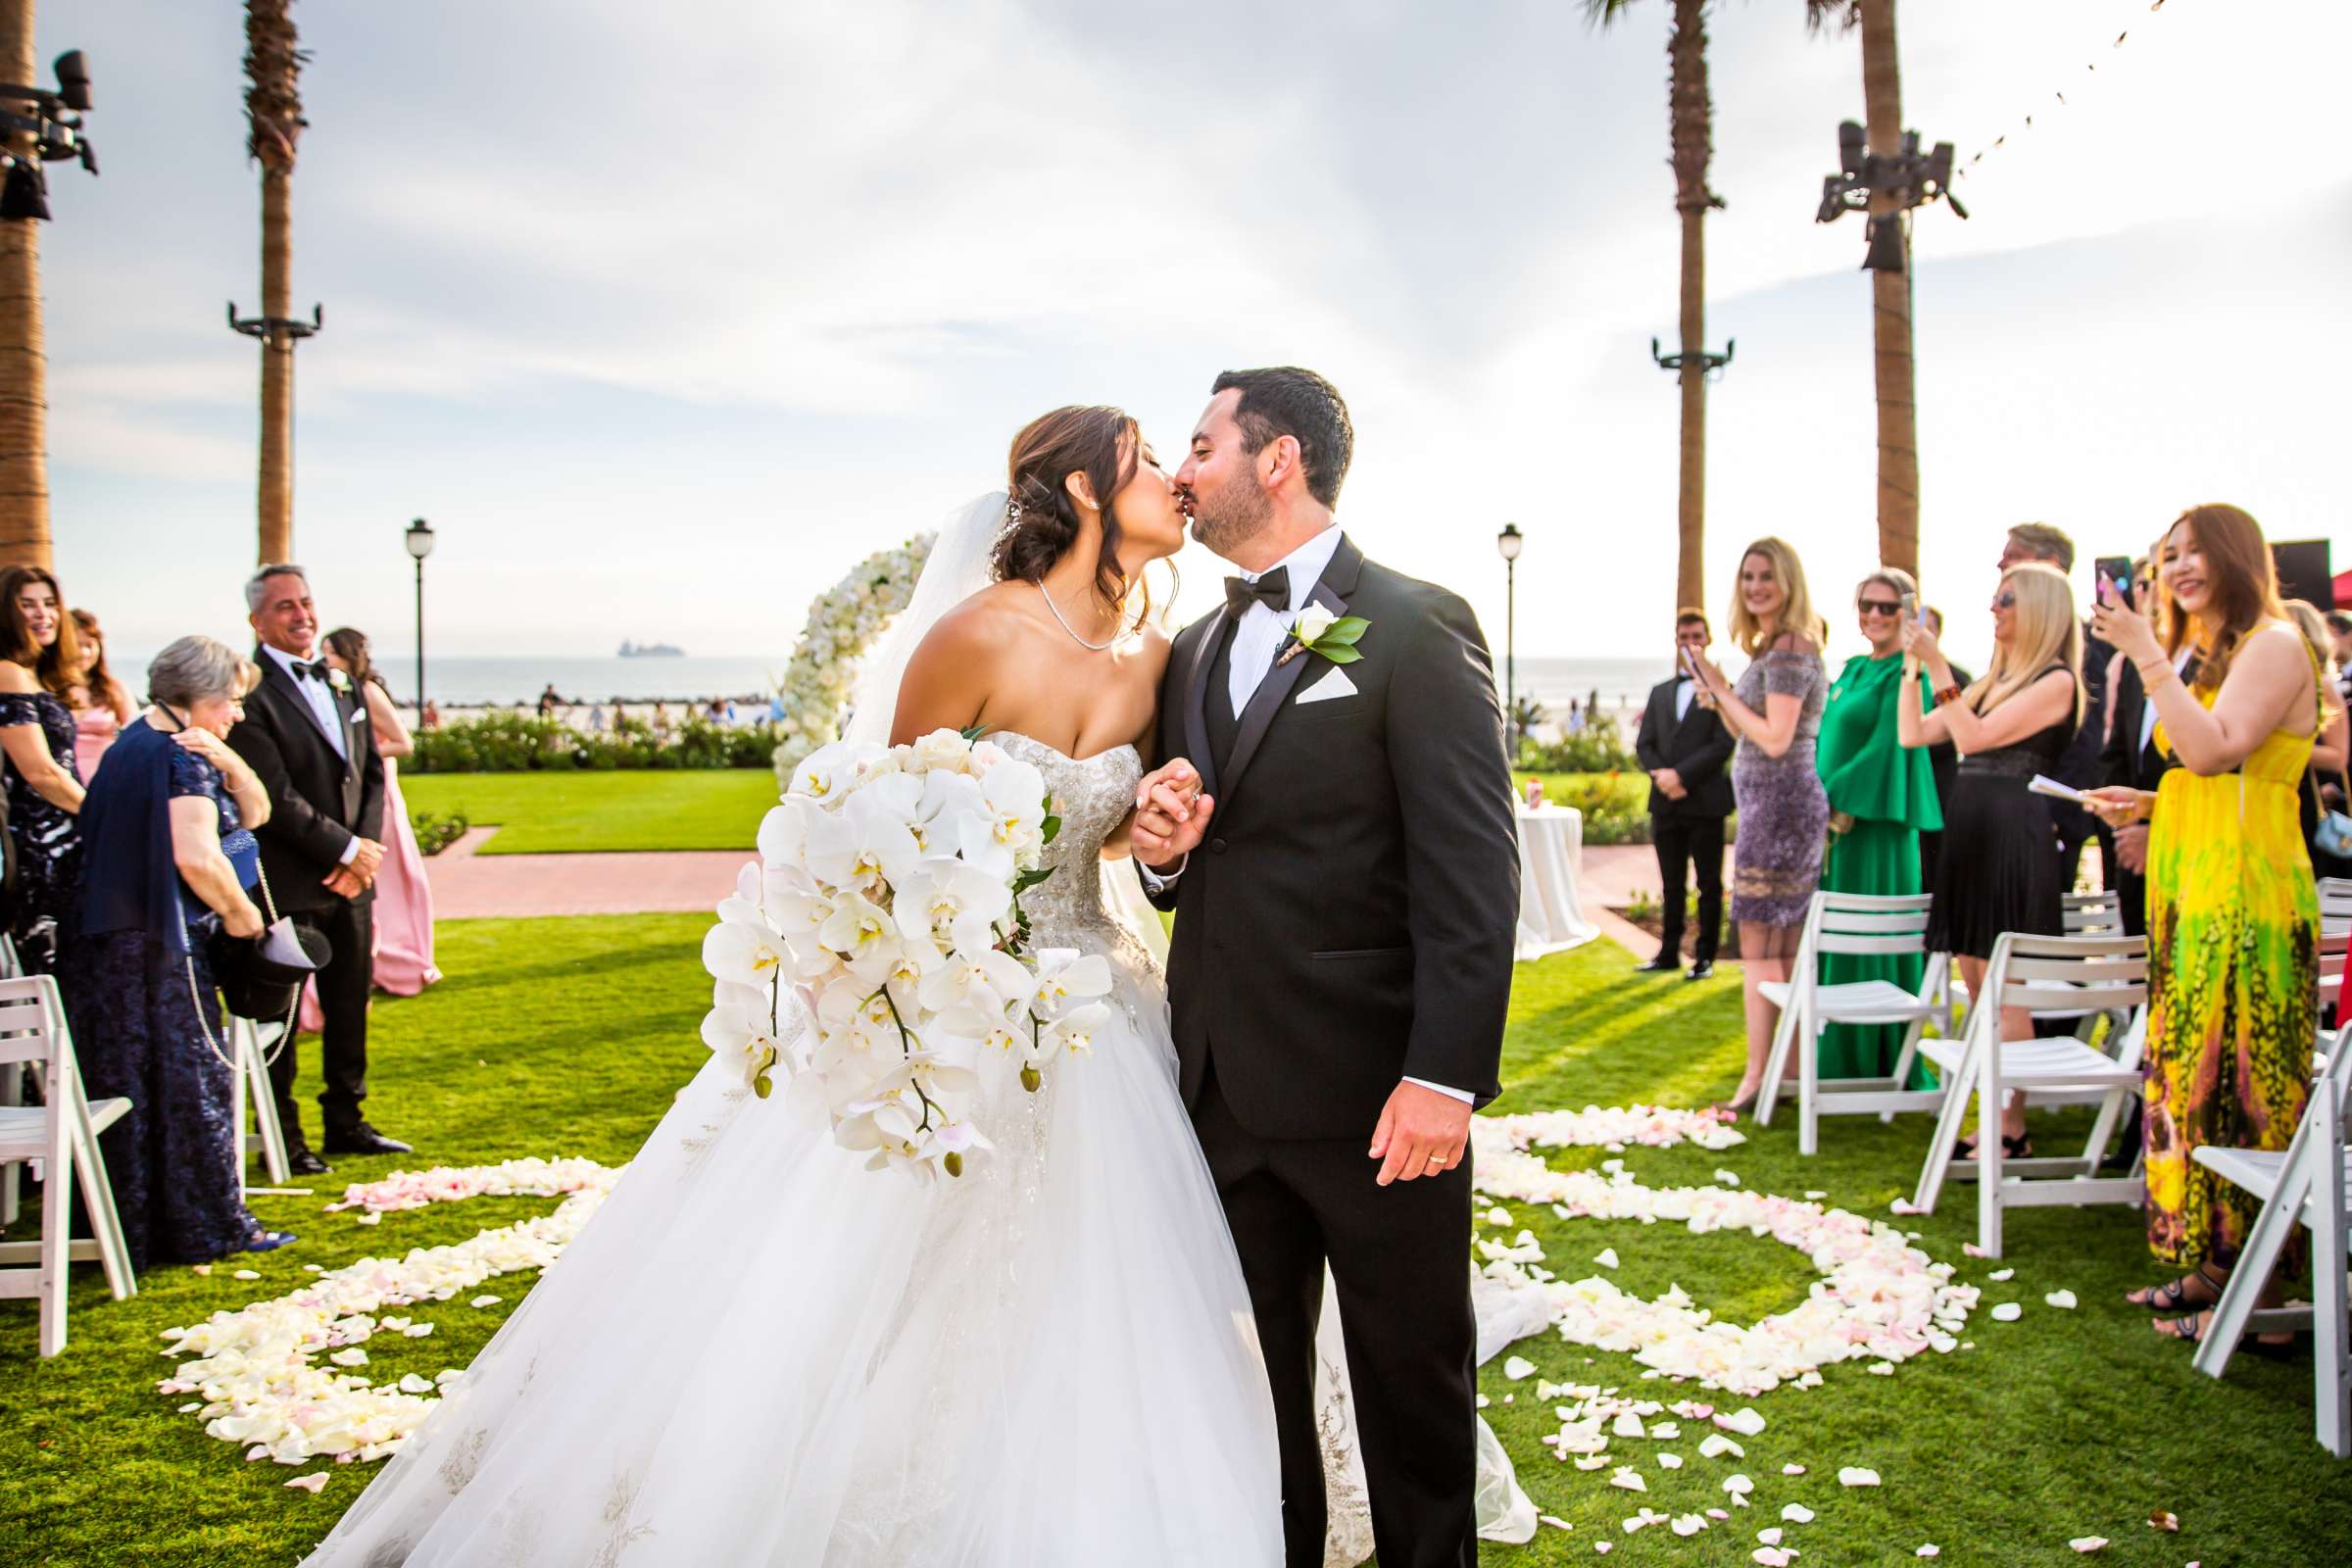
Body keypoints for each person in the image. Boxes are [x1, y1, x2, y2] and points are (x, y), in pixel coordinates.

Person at [308, 405, 1303, 1567]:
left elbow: (1103, 829)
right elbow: (888, 828)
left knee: (1108, 1287)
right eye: (1146, 465)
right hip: (957, 1006)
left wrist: (1151, 820)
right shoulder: (973, 637)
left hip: (1101, 1009)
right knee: (886, 1274)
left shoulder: (1156, 653)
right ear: (1084, 492)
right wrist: (922, 982)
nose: (1176, 485)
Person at [1131, 367, 1518, 1568]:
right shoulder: (1191, 648)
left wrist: (1443, 1078)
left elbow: (1474, 870)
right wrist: (1158, 860)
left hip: (1375, 1097)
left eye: (1201, 445)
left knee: (1412, 1391)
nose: (1184, 473)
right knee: (1255, 1409)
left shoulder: (1415, 621)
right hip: (1221, 1090)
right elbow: (1196, 846)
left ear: (1277, 458)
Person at [2086, 504, 2321, 1349]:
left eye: (2192, 553)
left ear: (2233, 555)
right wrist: (2151, 799)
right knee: (2200, 1082)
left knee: (2249, 1089)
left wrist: (2145, 651)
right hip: (2200, 891)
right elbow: (2214, 772)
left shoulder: (2277, 643)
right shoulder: (2224, 655)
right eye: (2168, 555)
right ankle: (2219, 1267)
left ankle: (2263, 1301)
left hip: (2250, 903)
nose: (2180, 568)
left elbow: (2220, 751)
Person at [65, 638, 296, 1269]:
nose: (238, 714)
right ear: (199, 695)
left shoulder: (131, 746)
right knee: (192, 1081)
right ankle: (205, 1226)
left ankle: (138, 1225)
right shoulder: (178, 759)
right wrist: (244, 918)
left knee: (134, 1084)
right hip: (161, 948)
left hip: (105, 947)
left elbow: (255, 811)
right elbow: (196, 855)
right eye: (232, 701)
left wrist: (235, 765)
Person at [225, 566, 408, 1176]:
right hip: (291, 878)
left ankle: (347, 1121)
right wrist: (342, 852)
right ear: (258, 621)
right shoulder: (248, 694)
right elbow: (272, 795)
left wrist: (364, 852)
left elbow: (372, 773)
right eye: (284, 607)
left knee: (350, 1003)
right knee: (282, 1017)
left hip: (353, 877)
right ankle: (286, 1134)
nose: (301, 614)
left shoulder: (343, 683)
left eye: (305, 602)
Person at [1899, 562, 2084, 1157]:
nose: (1995, 609)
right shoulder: (1991, 682)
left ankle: (2013, 1123)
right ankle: (1997, 1116)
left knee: (2009, 989)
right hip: (1971, 832)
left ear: (2039, 610)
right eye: (1995, 599)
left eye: (2006, 599)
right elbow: (1914, 734)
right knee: (1978, 988)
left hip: (2011, 836)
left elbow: (1973, 740)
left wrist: (1936, 665)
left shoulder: (2055, 682)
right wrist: (1912, 669)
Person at [1688, 538, 1828, 1115]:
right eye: (1747, 577)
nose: (1756, 587)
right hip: (1772, 808)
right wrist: (1717, 693)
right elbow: (1756, 728)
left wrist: (1721, 689)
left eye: (1766, 576)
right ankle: (1784, 1073)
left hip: (1781, 810)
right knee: (1779, 951)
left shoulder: (1791, 649)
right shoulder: (1773, 649)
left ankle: (1755, 1078)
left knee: (1761, 948)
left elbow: (1773, 737)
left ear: (1788, 581)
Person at [1815, 567, 1941, 1080]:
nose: (1873, 615)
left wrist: (1839, 798)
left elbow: (1890, 745)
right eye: (1866, 605)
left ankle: (1877, 1058)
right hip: (1831, 826)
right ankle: (1836, 1053)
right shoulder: (1850, 669)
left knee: (1867, 934)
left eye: (1886, 607)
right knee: (1833, 932)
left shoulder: (1908, 674)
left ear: (1909, 612)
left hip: (1873, 825)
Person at [321, 628, 441, 998]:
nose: (324, 661)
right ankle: (371, 958)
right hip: (356, 792)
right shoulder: (337, 693)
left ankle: (396, 957)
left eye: (330, 654)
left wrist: (361, 755)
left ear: (348, 656)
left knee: (385, 875)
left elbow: (403, 743)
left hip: (379, 795)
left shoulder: (368, 692)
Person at [2001, 523, 2108, 890]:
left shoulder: (2082, 644)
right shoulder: (2010, 649)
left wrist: (2054, 811)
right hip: (2005, 814)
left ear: (2050, 565)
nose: (2001, 564)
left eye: (2013, 556)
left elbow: (2085, 740)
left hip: (2048, 816)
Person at [1633, 609, 1734, 979]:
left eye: (1696, 637)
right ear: (1676, 642)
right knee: (1670, 883)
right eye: (1683, 637)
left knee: (1709, 883)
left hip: (1705, 802)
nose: (1690, 644)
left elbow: (1723, 744)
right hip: (1665, 803)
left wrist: (1682, 776)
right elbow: (1645, 744)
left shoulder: (1724, 691)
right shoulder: (1660, 692)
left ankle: (1705, 957)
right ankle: (1668, 952)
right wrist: (1661, 775)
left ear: (1707, 641)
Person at [0, 564, 87, 973]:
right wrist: (103, 814)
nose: (42, 614)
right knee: (45, 977)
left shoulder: (35, 676)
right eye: (27, 605)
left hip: (65, 842)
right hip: (39, 850)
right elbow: (41, 774)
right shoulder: (7, 672)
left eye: (50, 604)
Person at [2099, 559, 2177, 936]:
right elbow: (2117, 751)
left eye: (2154, 581)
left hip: (2185, 840)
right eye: (2144, 583)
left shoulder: (2210, 661)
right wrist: (2128, 823)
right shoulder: (2132, 665)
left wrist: (2157, 830)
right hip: (2131, 840)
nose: (2147, 592)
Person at [2280, 600, 2352, 883]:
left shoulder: (2321, 685)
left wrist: (2280, 746)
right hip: (2278, 795)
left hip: (2312, 803)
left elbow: (2337, 756)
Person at [1913, 606, 1973, 890]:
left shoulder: (1958, 678)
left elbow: (1962, 737)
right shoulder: (1904, 677)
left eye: (1929, 627)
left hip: (1940, 780)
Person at [67, 607, 133, 784]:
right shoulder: (47, 690)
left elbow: (135, 735)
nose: (84, 653)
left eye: (90, 645)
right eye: (77, 645)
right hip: (62, 785)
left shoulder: (114, 688)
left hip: (107, 782)